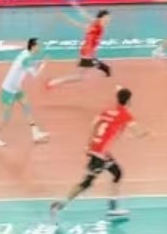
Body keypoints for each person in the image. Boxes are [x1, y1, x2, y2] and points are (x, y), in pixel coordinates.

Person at [50, 87, 145, 220]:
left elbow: (94, 124)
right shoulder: (125, 115)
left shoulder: (107, 111)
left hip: (98, 150)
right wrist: (146, 133)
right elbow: (139, 132)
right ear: (129, 101)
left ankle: (113, 208)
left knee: (117, 173)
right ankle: (60, 204)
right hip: (100, 154)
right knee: (86, 183)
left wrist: (89, 144)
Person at [0, 38, 49, 148]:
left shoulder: (25, 54)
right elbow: (35, 74)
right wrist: (43, 65)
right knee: (6, 117)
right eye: (38, 46)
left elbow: (27, 66)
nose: (39, 47)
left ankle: (35, 133)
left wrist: (37, 64)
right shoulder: (26, 58)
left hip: (16, 89)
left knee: (27, 106)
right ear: (33, 47)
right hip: (8, 90)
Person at [48, 10, 114, 89]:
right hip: (88, 53)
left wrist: (75, 13)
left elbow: (85, 18)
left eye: (109, 18)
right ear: (101, 18)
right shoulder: (98, 27)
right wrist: (67, 17)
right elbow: (80, 23)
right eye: (106, 18)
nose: (108, 19)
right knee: (80, 77)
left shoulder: (95, 24)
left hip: (86, 51)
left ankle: (105, 68)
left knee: (92, 67)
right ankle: (54, 82)